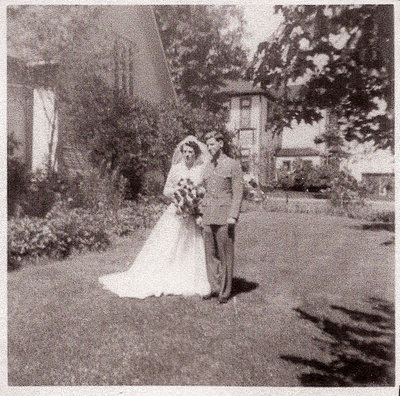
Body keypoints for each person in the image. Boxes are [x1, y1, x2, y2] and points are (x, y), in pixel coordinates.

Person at [99, 136, 211, 299]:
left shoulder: (200, 170)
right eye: (185, 152)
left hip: (191, 212)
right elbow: (166, 190)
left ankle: (185, 276)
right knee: (167, 243)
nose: (187, 155)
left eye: (190, 152)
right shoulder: (176, 168)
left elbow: (203, 190)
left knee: (190, 243)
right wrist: (179, 196)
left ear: (196, 154)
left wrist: (193, 199)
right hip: (176, 210)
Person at [197, 131, 244, 304]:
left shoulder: (233, 164)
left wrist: (233, 215)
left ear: (221, 144)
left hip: (225, 216)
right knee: (210, 254)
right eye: (208, 144)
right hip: (209, 215)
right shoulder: (207, 166)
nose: (209, 148)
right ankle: (214, 287)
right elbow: (205, 192)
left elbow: (238, 192)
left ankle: (225, 291)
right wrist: (201, 213)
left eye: (212, 144)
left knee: (225, 253)